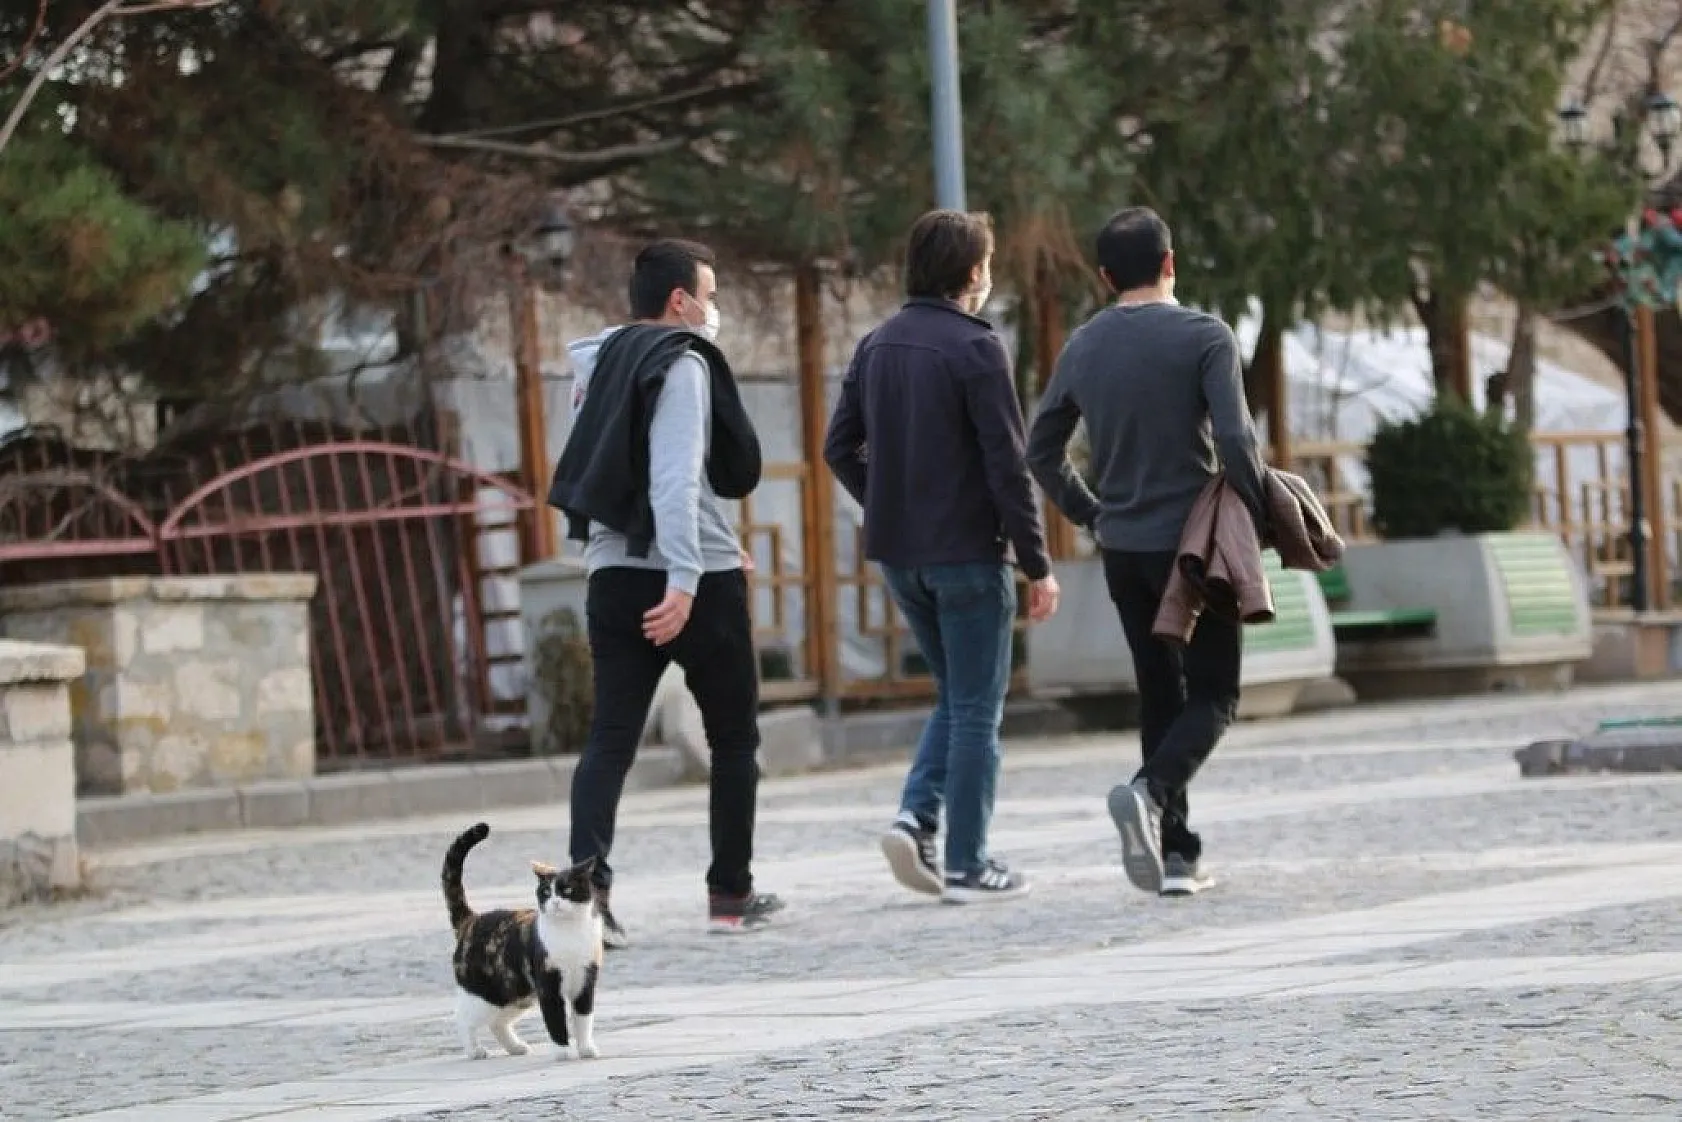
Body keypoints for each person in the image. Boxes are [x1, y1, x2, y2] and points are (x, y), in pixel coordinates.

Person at [1026, 206, 1267, 899]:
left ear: (1104, 277)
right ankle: (1153, 792)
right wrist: (1251, 518)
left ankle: (1177, 856)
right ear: (1171, 262)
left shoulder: (1083, 346)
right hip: (1194, 546)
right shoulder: (1205, 336)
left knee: (1161, 693)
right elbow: (1237, 441)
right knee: (1215, 693)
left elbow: (1041, 451)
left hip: (1125, 549)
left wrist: (1092, 513)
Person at [548, 238, 783, 941]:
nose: (713, 311)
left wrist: (702, 542)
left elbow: (611, 472)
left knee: (611, 737)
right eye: (709, 296)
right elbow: (673, 477)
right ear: (680, 300)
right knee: (734, 738)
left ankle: (588, 896)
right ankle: (729, 895)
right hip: (690, 582)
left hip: (611, 568)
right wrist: (685, 575)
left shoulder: (595, 364)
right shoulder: (680, 364)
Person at [824, 209, 1060, 905]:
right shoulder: (976, 348)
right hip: (967, 555)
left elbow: (840, 446)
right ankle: (967, 860)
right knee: (978, 708)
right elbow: (1007, 467)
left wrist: (887, 500)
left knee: (956, 693)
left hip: (902, 556)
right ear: (972, 273)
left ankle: (915, 816)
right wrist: (1037, 561)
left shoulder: (876, 345)